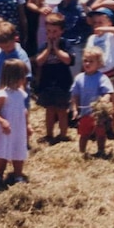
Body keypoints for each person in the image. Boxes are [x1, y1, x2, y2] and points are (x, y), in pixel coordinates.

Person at [0, 59, 31, 191]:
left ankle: (18, 175)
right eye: (23, 76)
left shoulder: (20, 93)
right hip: (6, 129)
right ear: (15, 77)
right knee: (4, 153)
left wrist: (28, 125)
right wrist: (2, 121)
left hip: (18, 128)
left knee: (18, 150)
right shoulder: (2, 95)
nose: (25, 79)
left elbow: (23, 110)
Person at [35, 13, 73, 143]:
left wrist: (56, 49)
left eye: (55, 31)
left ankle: (63, 134)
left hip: (62, 81)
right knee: (50, 110)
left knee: (62, 110)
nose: (52, 34)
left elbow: (68, 60)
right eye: (49, 31)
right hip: (47, 82)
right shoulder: (43, 46)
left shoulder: (66, 44)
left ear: (62, 31)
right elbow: (39, 62)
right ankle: (49, 133)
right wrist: (48, 49)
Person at [70, 46, 114, 157]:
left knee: (101, 133)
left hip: (98, 114)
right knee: (84, 134)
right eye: (85, 61)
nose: (87, 64)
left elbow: (108, 92)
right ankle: (82, 152)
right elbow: (75, 95)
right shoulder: (79, 78)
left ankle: (101, 151)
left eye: (91, 61)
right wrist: (75, 109)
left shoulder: (102, 78)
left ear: (99, 63)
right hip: (85, 113)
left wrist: (105, 99)